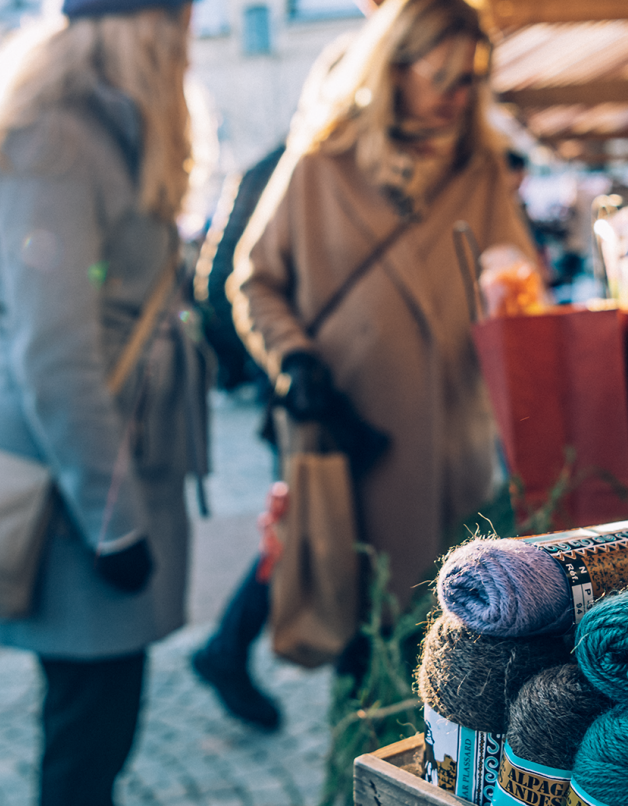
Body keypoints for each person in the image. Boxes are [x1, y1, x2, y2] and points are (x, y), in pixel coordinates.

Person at [205, 0, 535, 730]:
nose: (457, 95)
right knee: (364, 643)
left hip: (450, 443)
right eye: (442, 75)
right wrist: (293, 359)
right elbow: (252, 281)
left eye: (471, 79)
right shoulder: (320, 163)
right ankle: (359, 766)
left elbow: (519, 281)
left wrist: (512, 288)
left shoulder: (481, 171)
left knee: (448, 642)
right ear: (393, 69)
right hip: (348, 436)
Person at [0, 1, 206, 803]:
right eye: (178, 21)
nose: (187, 44)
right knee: (88, 732)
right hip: (73, 478)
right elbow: (53, 356)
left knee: (99, 719)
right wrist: (112, 521)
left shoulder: (98, 127)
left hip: (96, 462)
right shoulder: (53, 139)